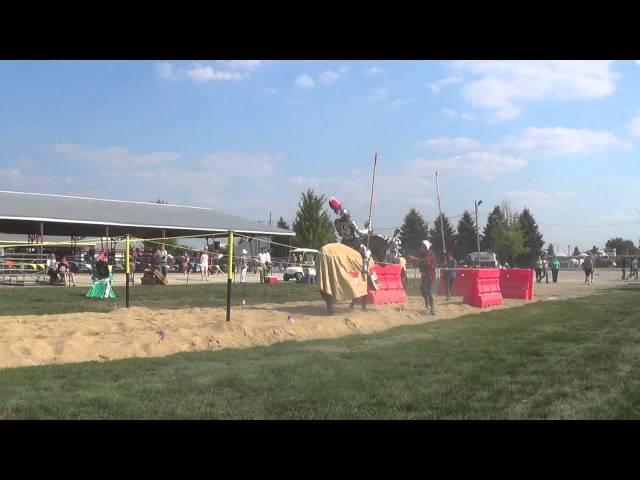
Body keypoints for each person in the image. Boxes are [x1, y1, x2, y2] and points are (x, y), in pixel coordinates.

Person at [409, 240, 437, 315]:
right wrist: (413, 263)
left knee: (429, 291)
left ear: (426, 247)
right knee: (423, 289)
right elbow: (420, 263)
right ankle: (427, 305)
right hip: (424, 275)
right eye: (421, 246)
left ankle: (432, 309)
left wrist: (415, 259)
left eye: (423, 246)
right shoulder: (422, 254)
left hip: (430, 275)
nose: (421, 247)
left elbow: (426, 261)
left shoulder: (430, 253)